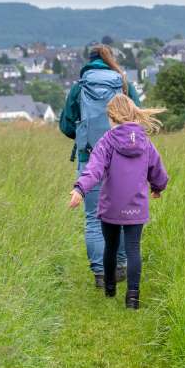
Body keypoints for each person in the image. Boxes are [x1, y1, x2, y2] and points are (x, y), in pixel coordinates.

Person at [69, 94, 169, 310]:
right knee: (133, 249)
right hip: (137, 206)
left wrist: (80, 189)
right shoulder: (145, 142)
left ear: (112, 118)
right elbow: (158, 170)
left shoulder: (107, 141)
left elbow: (94, 169)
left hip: (111, 205)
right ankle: (133, 297)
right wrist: (158, 187)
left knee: (111, 247)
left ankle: (110, 288)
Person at [59, 44, 142, 288]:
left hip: (89, 156)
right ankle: (120, 267)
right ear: (110, 60)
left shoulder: (79, 87)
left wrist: (85, 135)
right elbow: (136, 121)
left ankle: (99, 273)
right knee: (124, 214)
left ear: (89, 62)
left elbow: (65, 126)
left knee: (94, 219)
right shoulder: (124, 85)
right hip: (123, 159)